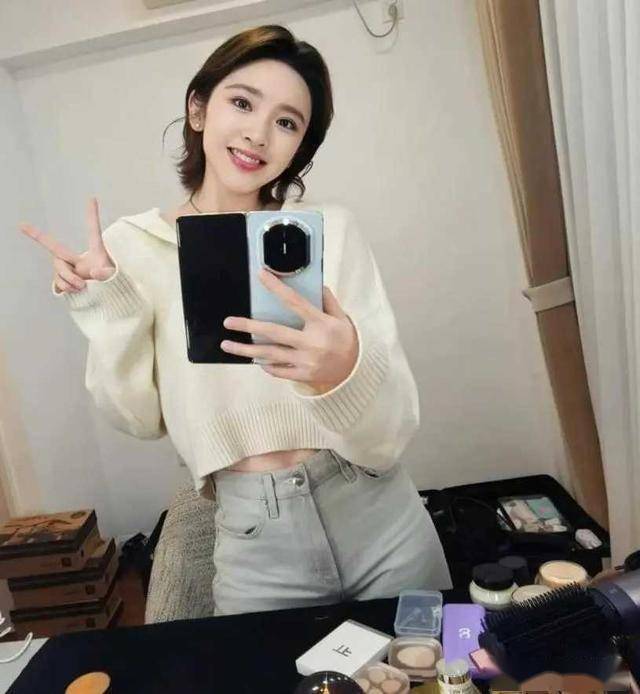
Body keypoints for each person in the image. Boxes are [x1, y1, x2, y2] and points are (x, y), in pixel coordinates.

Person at [20, 25, 452, 616]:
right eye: (243, 103)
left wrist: (345, 368)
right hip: (253, 537)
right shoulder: (131, 247)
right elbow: (137, 419)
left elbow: (393, 434)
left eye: (287, 122)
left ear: (300, 146)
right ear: (199, 109)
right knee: (254, 666)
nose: (258, 133)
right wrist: (109, 309)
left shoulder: (332, 231)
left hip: (381, 512)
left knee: (449, 657)